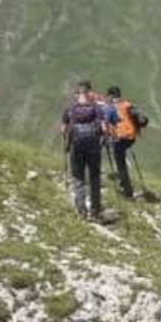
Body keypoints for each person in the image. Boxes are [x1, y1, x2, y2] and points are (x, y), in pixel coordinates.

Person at [62, 80, 109, 220]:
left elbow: (63, 129)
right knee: (94, 177)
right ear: (89, 92)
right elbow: (104, 127)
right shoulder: (96, 108)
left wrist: (67, 142)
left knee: (78, 177)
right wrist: (104, 140)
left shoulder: (70, 109)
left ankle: (81, 209)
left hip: (76, 146)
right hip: (93, 146)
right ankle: (95, 210)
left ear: (77, 93)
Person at [105, 85, 141, 199]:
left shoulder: (111, 107)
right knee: (121, 158)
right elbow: (138, 118)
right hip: (130, 137)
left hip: (119, 137)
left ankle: (127, 191)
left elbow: (108, 123)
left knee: (120, 164)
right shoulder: (127, 104)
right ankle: (123, 181)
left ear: (110, 95)